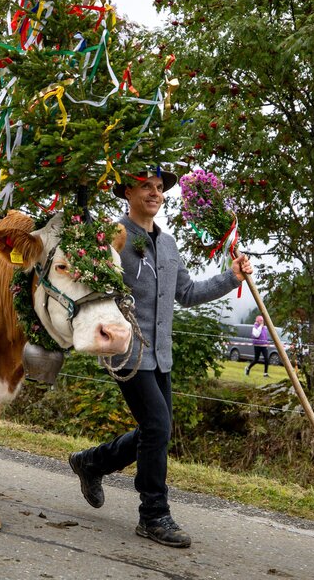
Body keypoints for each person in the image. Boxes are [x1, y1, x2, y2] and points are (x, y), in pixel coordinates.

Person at [68, 166, 253, 549]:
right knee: (157, 427)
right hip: (127, 351)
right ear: (127, 193)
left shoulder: (168, 244)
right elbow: (91, 281)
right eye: (145, 187)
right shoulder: (113, 237)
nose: (154, 193)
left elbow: (186, 292)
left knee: (155, 430)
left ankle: (92, 462)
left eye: (158, 188)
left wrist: (232, 277)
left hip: (161, 355)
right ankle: (154, 514)